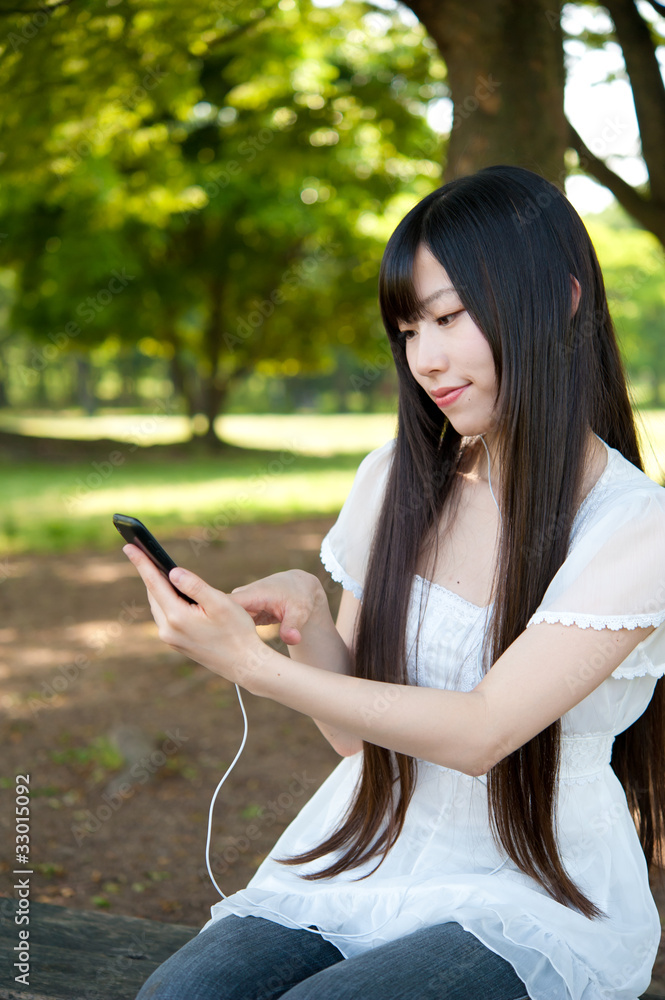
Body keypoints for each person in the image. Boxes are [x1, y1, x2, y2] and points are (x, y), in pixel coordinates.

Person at [127, 165, 665, 1000]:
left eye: (448, 317)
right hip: (369, 853)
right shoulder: (395, 479)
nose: (426, 358)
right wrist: (311, 622)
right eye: (409, 330)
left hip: (530, 894)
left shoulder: (632, 525)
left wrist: (255, 668)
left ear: (559, 301)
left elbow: (484, 732)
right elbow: (359, 739)